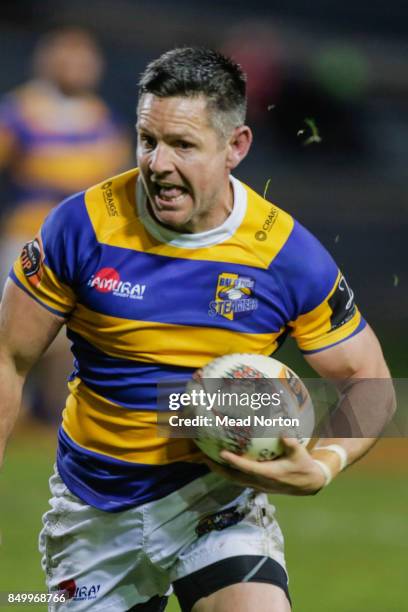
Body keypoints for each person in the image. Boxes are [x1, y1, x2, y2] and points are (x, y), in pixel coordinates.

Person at [0, 47, 393, 611]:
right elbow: (9, 358)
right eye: (147, 140)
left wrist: (324, 463)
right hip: (94, 508)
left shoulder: (284, 254)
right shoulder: (80, 226)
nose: (158, 163)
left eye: (183, 145)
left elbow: (369, 378)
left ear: (236, 147)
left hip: (216, 505)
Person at [0, 27, 131, 420]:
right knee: (17, 333)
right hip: (28, 235)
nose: (78, 67)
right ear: (47, 60)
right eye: (68, 57)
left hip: (84, 243)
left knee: (68, 339)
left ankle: (54, 418)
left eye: (85, 59)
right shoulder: (18, 111)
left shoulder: (105, 121)